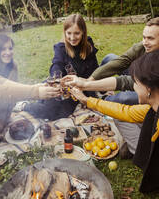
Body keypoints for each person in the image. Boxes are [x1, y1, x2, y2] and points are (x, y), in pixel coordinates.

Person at [68, 49, 159, 193]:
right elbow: (126, 112)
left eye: (135, 83)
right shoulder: (152, 109)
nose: (132, 87)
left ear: (148, 89)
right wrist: (87, 100)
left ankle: (148, 160)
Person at [87, 17, 159, 158]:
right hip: (141, 81)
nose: (145, 42)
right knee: (110, 58)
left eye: (150, 38)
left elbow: (127, 81)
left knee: (121, 98)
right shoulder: (143, 47)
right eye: (144, 37)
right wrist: (90, 80)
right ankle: (101, 95)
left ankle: (107, 101)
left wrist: (90, 90)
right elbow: (122, 61)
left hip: (151, 92)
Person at [24, 14, 98, 120]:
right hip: (62, 86)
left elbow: (95, 70)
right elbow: (56, 65)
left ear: (83, 32)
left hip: (80, 88)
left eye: (77, 33)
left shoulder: (88, 46)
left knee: (59, 113)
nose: (72, 38)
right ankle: (24, 106)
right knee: (48, 106)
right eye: (69, 33)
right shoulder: (61, 48)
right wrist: (57, 79)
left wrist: (89, 92)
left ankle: (37, 105)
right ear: (64, 32)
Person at [0, 34, 60, 144]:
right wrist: (36, 91)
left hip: (5, 119)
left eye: (10, 48)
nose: (8, 52)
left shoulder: (13, 66)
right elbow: (2, 88)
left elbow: (13, 91)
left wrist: (37, 86)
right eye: (3, 49)